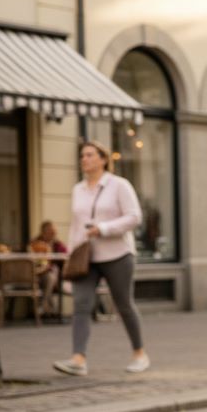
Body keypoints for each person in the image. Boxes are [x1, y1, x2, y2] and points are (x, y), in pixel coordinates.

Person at [53, 141, 150, 376]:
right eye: (82, 156)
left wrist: (104, 228)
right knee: (81, 305)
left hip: (117, 255)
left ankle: (139, 353)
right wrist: (71, 256)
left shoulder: (119, 185)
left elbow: (134, 217)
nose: (84, 159)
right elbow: (76, 226)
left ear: (103, 159)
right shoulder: (78, 189)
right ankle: (78, 359)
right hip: (87, 258)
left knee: (124, 304)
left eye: (89, 155)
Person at [29, 220, 68, 315]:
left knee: (51, 277)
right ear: (43, 232)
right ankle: (50, 309)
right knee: (49, 279)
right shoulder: (35, 243)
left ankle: (43, 306)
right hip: (36, 274)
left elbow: (65, 255)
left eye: (53, 231)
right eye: (50, 231)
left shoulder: (58, 244)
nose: (53, 234)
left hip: (52, 275)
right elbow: (30, 257)